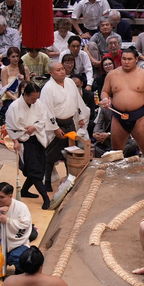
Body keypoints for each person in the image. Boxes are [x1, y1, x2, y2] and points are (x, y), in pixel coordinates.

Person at [40, 62, 89, 190]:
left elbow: (77, 101)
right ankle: (48, 182)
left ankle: (70, 178)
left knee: (70, 152)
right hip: (57, 124)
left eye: (62, 69)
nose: (62, 71)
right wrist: (55, 128)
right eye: (58, 70)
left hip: (70, 122)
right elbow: (46, 109)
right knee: (51, 155)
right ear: (51, 73)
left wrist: (81, 118)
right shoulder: (48, 88)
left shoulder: (70, 82)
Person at [100, 50, 144, 158]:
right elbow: (104, 91)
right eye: (124, 59)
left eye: (130, 59)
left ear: (136, 60)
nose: (126, 62)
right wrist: (105, 99)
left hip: (139, 117)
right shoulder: (112, 74)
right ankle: (118, 175)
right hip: (118, 116)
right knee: (116, 152)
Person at [6, 83, 50, 208]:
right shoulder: (14, 107)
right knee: (34, 170)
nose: (35, 101)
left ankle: (24, 191)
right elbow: (10, 126)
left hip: (37, 138)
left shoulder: (38, 104)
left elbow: (43, 118)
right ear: (24, 94)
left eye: (37, 98)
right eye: (33, 98)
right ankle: (45, 198)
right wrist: (15, 141)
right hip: (24, 141)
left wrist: (34, 127)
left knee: (39, 167)